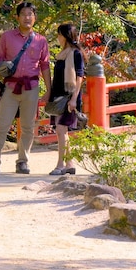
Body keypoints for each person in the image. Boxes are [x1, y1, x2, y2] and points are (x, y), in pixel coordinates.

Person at [0, 1, 52, 175]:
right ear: (17, 17)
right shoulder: (7, 37)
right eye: (23, 14)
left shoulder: (41, 40)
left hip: (31, 86)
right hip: (11, 86)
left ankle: (23, 161)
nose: (27, 17)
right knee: (2, 125)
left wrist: (48, 90)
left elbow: (44, 66)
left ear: (35, 18)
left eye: (30, 14)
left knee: (28, 126)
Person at [48, 22, 85, 176]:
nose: (57, 37)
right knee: (61, 131)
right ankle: (69, 163)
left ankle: (60, 164)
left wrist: (74, 98)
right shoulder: (62, 54)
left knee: (61, 129)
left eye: (59, 34)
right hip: (58, 95)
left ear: (64, 36)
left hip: (69, 96)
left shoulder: (76, 54)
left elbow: (80, 76)